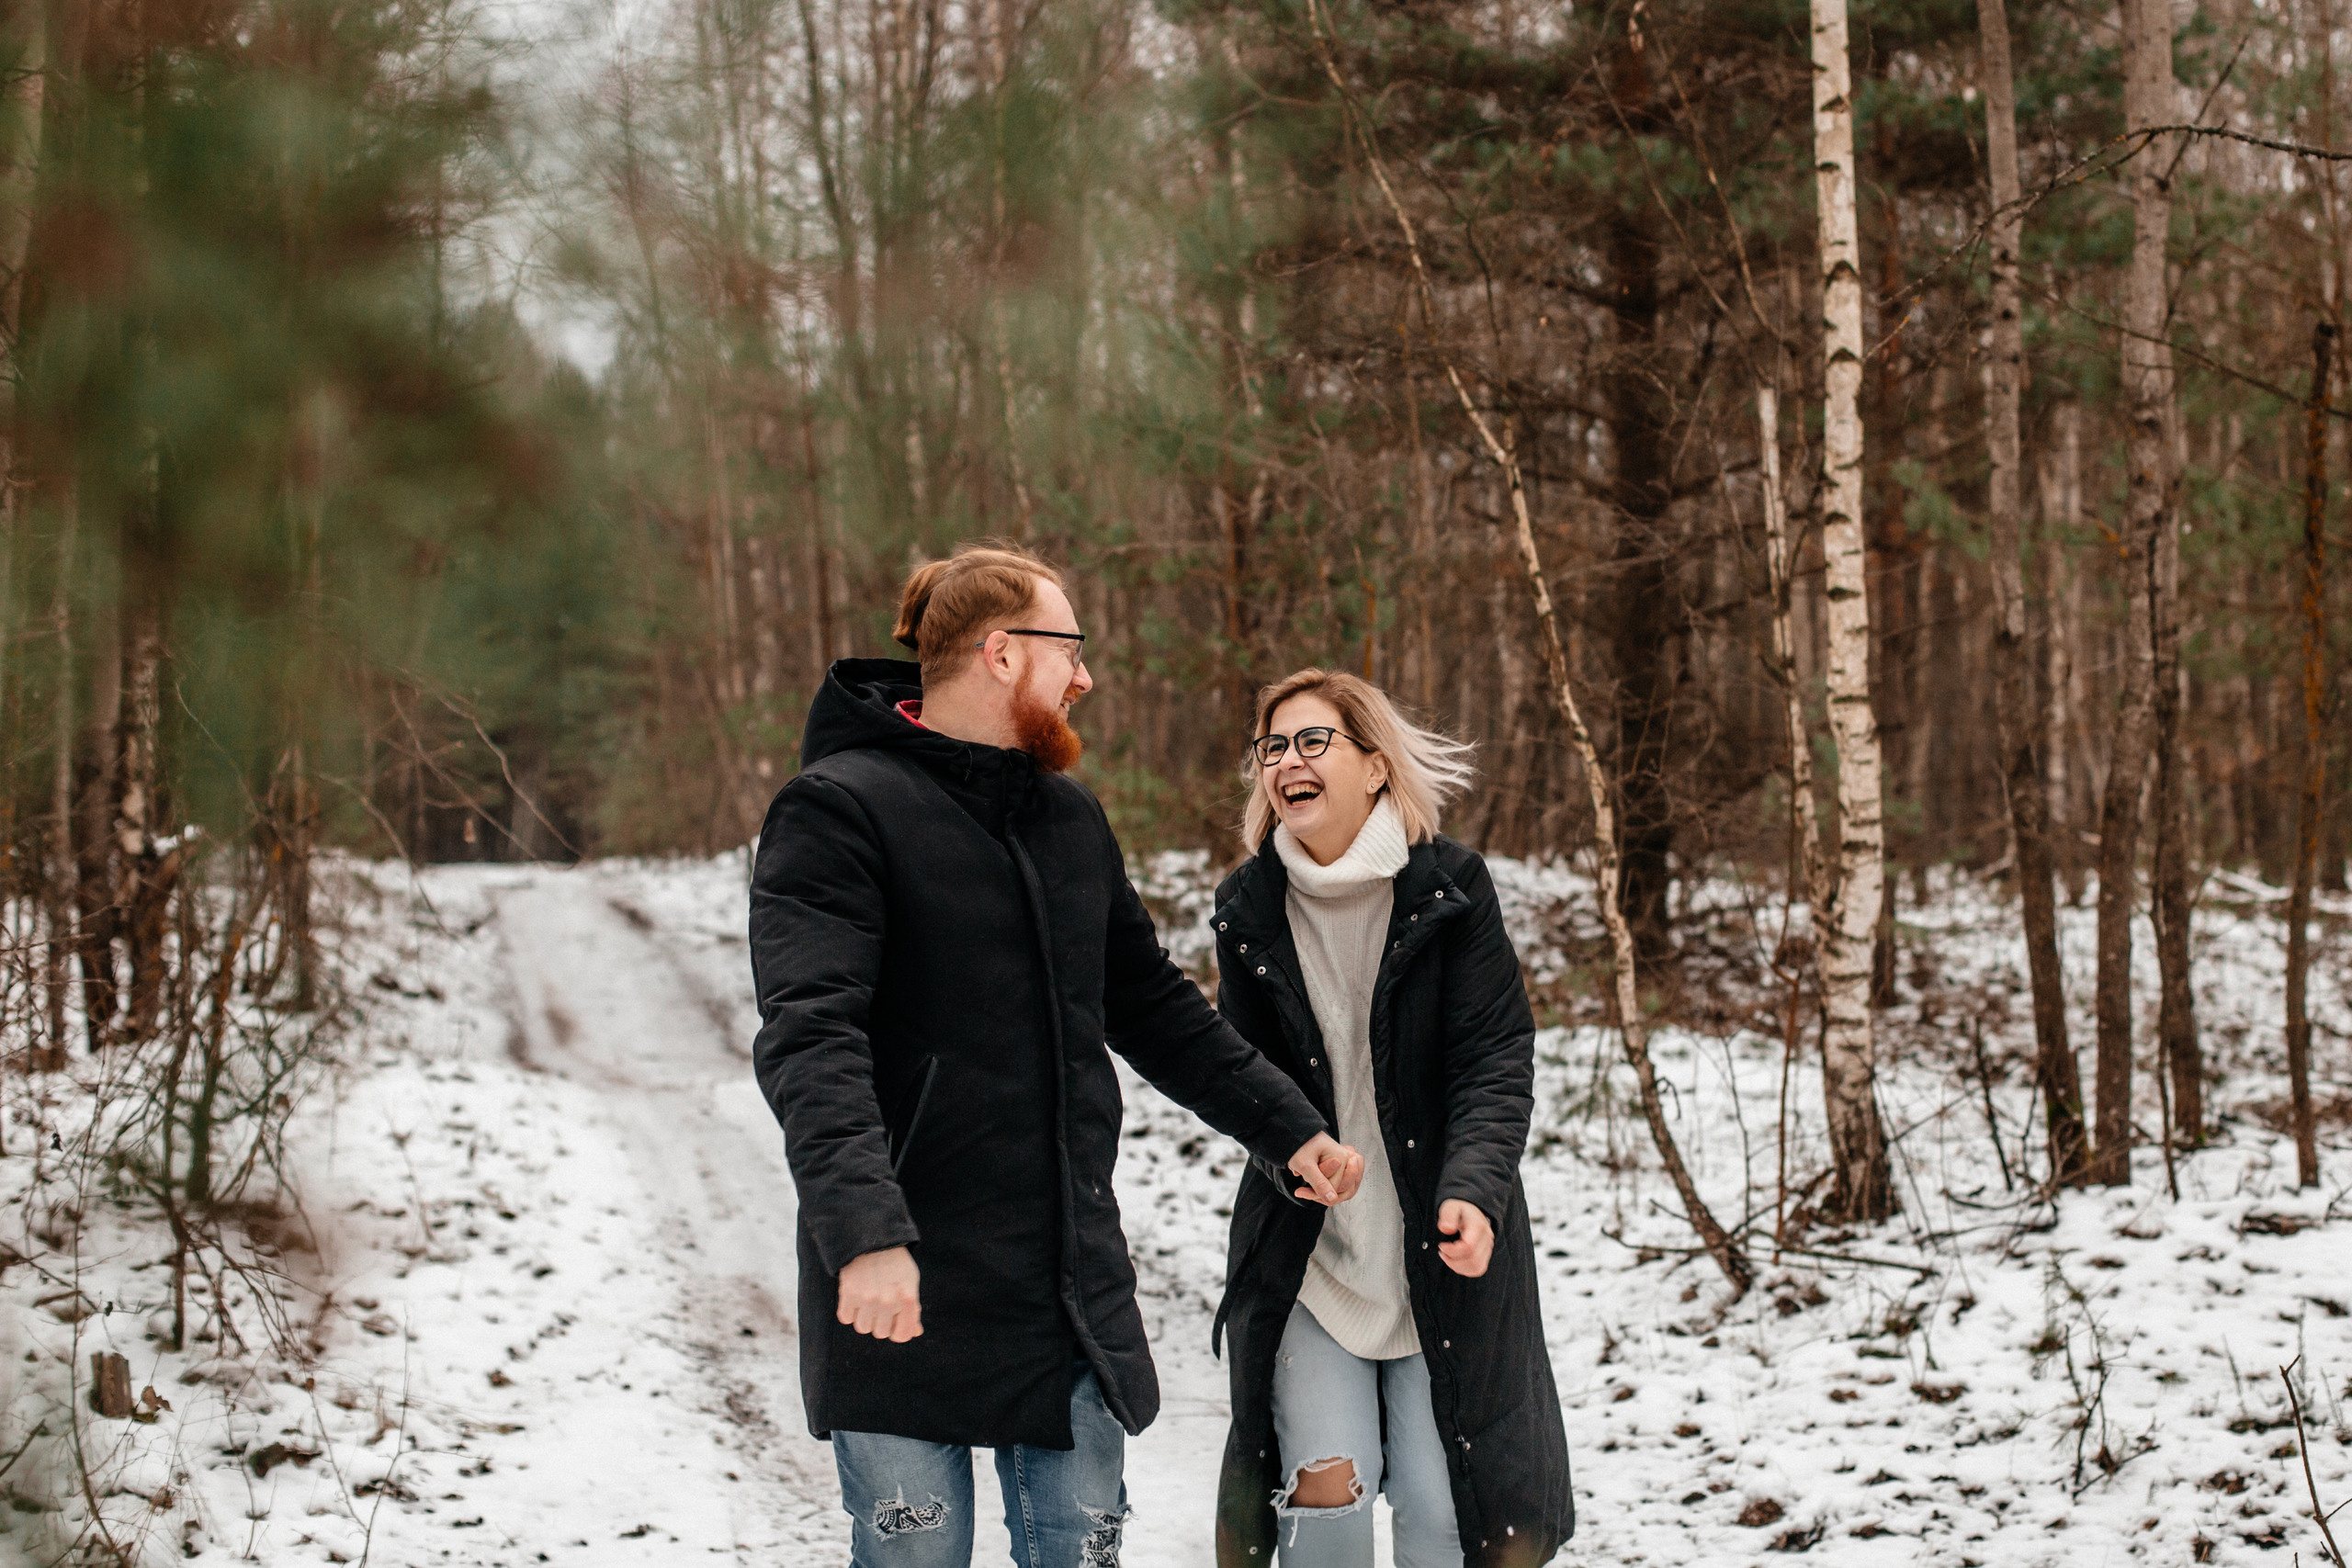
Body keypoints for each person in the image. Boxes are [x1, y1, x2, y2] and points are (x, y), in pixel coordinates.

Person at [749, 543, 1364, 1568]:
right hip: (901, 1281)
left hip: (1062, 1291)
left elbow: (1150, 1004)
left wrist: (1286, 1125)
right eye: (1067, 650)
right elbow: (811, 1037)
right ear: (999, 653)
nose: (1084, 677)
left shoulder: (1067, 817)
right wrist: (863, 1234)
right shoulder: (838, 810)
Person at [1206, 670, 1574, 1568]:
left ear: (1374, 766)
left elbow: (1495, 1063)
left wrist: (1475, 1195)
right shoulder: (1247, 912)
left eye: (1313, 740)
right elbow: (1235, 1079)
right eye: (1272, 747)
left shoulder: (1452, 892)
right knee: (1324, 1495)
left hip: (1440, 1260)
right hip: (1309, 1264)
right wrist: (1285, 1152)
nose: (1288, 760)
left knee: (1447, 1513)